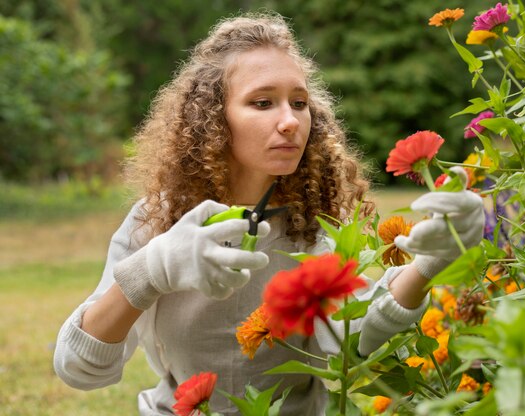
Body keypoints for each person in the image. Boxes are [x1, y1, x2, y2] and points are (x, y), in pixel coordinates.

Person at [53, 12, 485, 415]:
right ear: (213, 118)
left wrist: (427, 266)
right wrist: (150, 270)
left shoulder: (311, 223)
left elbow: (349, 342)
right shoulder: (159, 220)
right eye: (263, 103)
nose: (291, 121)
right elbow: (78, 368)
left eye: (299, 103)